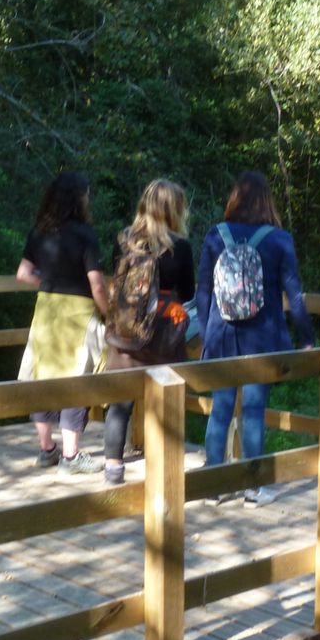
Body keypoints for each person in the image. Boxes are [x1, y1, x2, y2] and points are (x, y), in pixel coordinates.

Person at [195, 171, 314, 506]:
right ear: (267, 202)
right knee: (253, 410)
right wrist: (307, 339)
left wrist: (206, 333)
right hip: (262, 338)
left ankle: (213, 486)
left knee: (220, 408)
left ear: (235, 199)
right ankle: (253, 488)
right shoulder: (279, 240)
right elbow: (295, 295)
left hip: (221, 336)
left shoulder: (216, 235)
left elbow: (203, 292)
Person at [102, 179, 196, 485]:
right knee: (165, 403)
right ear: (174, 210)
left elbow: (115, 279)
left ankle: (113, 469)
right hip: (163, 333)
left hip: (126, 332)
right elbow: (188, 291)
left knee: (120, 405)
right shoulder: (180, 247)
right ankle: (163, 471)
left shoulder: (124, 240)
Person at [16, 170, 109, 474]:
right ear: (79, 199)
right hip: (78, 314)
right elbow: (97, 285)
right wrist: (109, 314)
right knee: (77, 378)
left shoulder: (39, 231)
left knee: (42, 375)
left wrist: (49, 280)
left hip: (46, 310)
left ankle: (47, 450)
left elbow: (23, 274)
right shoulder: (85, 235)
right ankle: (71, 456)